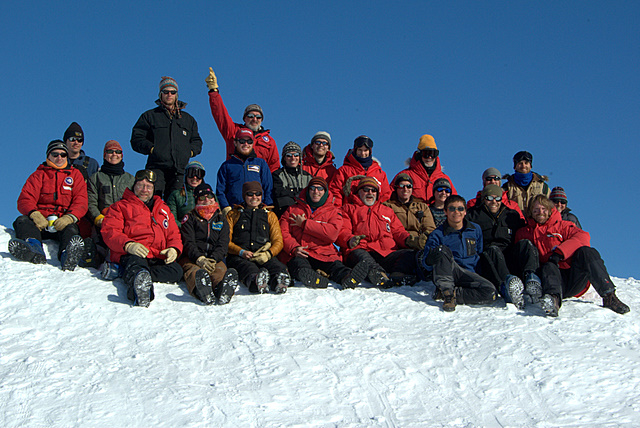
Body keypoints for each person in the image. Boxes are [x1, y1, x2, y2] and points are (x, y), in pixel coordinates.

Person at [515, 195, 629, 317]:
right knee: (549, 265)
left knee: (587, 252)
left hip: (572, 277)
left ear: (549, 210)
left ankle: (609, 296)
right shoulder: (524, 233)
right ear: (531, 212)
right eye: (536, 210)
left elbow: (583, 237)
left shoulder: (562, 226)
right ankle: (552, 301)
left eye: (543, 209)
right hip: (549, 279)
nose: (540, 212)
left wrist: (560, 253)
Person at [101, 170, 183, 307]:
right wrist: (128, 245)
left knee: (176, 271)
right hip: (133, 253)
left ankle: (126, 272)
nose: (145, 190)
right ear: (134, 187)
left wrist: (174, 248)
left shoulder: (163, 209)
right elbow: (110, 231)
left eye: (149, 187)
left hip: (157, 255)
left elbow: (173, 233)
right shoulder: (120, 206)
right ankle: (141, 292)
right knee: (137, 265)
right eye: (140, 186)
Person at [9, 140, 87, 271]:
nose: (59, 158)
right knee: (22, 221)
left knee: (72, 229)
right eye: (55, 154)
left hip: (62, 221)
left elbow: (81, 201)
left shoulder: (75, 176)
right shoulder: (38, 175)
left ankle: (68, 255)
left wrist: (69, 217)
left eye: (63, 155)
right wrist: (34, 214)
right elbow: (25, 198)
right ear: (48, 156)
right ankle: (34, 249)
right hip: (41, 222)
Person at [279, 178, 370, 289]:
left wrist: (305, 224)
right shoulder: (293, 209)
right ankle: (312, 277)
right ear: (308, 190)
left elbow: (332, 234)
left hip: (323, 252)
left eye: (320, 189)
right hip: (301, 252)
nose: (316, 192)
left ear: (325, 191)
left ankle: (348, 277)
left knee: (336, 266)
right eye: (312, 188)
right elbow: (283, 232)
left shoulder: (333, 212)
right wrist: (294, 248)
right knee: (298, 265)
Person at [466, 184, 539, 309]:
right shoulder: (473, 216)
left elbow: (525, 230)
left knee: (526, 244)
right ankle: (508, 285)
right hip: (489, 259)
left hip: (509, 255)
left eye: (497, 198)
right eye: (489, 198)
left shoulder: (511, 215)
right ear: (484, 199)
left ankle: (531, 280)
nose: (494, 202)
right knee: (493, 249)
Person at [131, 76, 203, 199]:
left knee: (176, 201)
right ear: (160, 94)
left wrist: (189, 152)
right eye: (166, 92)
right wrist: (152, 149)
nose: (169, 94)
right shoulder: (150, 116)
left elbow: (197, 141)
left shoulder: (187, 119)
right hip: (157, 167)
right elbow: (137, 138)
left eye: (172, 92)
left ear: (176, 94)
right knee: (154, 199)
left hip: (180, 170)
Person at [422, 195, 497, 312]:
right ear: (445, 212)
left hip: (468, 274)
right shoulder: (437, 234)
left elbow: (479, 252)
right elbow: (425, 263)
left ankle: (455, 294)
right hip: (449, 271)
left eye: (460, 209)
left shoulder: (475, 230)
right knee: (442, 250)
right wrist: (432, 258)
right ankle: (447, 294)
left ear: (465, 212)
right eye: (452, 209)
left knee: (490, 292)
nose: (456, 212)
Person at [337, 177, 417, 288]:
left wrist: (409, 240)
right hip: (361, 249)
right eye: (365, 190)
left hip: (385, 253)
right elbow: (342, 230)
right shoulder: (348, 209)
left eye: (373, 190)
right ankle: (379, 275)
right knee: (362, 258)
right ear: (358, 192)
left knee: (409, 254)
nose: (370, 193)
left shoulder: (387, 211)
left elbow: (398, 231)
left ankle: (398, 275)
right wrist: (350, 240)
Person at [206, 67, 280, 172]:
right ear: (244, 118)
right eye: (250, 116)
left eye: (258, 117)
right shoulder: (234, 131)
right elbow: (220, 115)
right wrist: (214, 92)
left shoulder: (270, 142)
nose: (254, 119)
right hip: (236, 179)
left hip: (258, 185)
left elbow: (274, 167)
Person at [226, 181, 290, 294]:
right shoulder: (233, 214)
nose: (254, 197)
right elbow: (226, 240)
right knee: (248, 268)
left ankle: (279, 281)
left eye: (258, 194)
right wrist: (241, 252)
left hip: (262, 253)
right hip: (241, 255)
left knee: (277, 266)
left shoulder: (270, 215)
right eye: (250, 194)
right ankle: (256, 281)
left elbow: (278, 240)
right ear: (244, 196)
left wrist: (268, 254)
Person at [179, 182, 237, 305]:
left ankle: (221, 289)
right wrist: (199, 258)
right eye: (202, 197)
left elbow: (223, 243)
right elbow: (188, 242)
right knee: (193, 272)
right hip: (193, 258)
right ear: (196, 200)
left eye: (209, 196)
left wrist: (213, 259)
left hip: (214, 258)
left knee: (220, 271)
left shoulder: (220, 219)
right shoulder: (189, 218)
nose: (206, 199)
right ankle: (201, 291)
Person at [87, 140, 135, 267]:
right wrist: (98, 218)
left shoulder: (130, 180)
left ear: (122, 155)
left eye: (118, 151)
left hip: (124, 223)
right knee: (99, 248)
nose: (114, 154)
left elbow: (136, 204)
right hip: (103, 222)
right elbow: (91, 202)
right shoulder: (96, 178)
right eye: (110, 151)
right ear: (104, 155)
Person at [216, 128, 273, 215]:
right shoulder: (227, 166)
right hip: (235, 212)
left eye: (249, 141)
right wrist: (225, 207)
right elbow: (220, 190)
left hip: (258, 210)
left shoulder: (260, 163)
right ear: (235, 143)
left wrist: (267, 206)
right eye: (242, 141)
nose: (246, 144)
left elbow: (268, 187)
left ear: (253, 143)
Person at [393, 134, 457, 202]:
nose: (429, 157)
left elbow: (455, 202)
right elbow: (389, 196)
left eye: (433, 154)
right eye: (426, 154)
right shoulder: (405, 176)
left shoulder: (444, 178)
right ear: (419, 155)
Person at [329, 135, 391, 206]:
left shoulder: (379, 173)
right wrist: (338, 212)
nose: (363, 154)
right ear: (355, 150)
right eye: (360, 150)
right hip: (350, 213)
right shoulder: (344, 171)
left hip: (373, 214)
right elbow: (335, 191)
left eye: (365, 150)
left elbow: (386, 196)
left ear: (370, 151)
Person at [383, 173, 436, 251]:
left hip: (419, 244)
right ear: (396, 188)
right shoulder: (388, 206)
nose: (405, 189)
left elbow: (430, 228)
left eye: (408, 186)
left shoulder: (422, 207)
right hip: (397, 246)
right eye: (401, 186)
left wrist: (424, 238)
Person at [272, 141, 312, 216]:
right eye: (289, 155)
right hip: (284, 214)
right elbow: (279, 193)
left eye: (296, 155)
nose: (293, 158)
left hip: (305, 215)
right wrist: (298, 195)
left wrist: (292, 194)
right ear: (284, 158)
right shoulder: (277, 175)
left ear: (300, 157)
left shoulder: (308, 177)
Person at [166, 161, 206, 227]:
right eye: (191, 174)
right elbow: (171, 218)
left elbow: (216, 216)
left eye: (198, 174)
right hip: (183, 232)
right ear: (186, 176)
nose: (194, 177)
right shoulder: (176, 195)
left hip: (203, 232)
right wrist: (185, 229)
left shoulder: (208, 196)